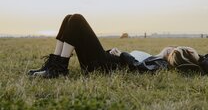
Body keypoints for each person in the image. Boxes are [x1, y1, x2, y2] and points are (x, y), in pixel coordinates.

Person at [28, 14, 172, 78]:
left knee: (77, 19)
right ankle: (53, 65)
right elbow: (133, 61)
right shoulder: (154, 58)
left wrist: (121, 55)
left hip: (106, 66)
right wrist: (119, 52)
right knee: (69, 18)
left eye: (176, 51)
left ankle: (59, 69)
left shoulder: (161, 63)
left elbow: (138, 67)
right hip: (105, 61)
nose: (172, 47)